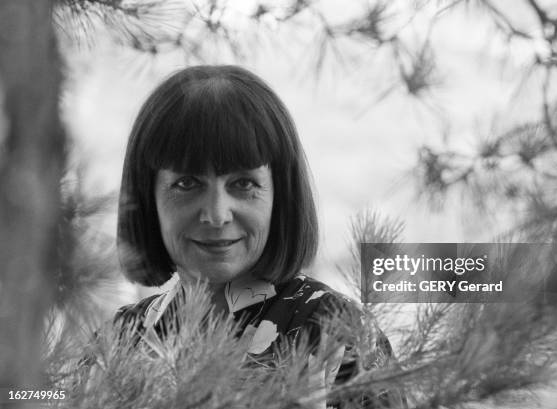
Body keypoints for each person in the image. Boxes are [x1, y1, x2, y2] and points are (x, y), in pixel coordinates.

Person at [114, 65, 403, 408]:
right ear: (148, 199)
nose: (217, 214)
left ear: (280, 197)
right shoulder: (121, 339)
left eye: (243, 184)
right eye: (187, 183)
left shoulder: (337, 335)